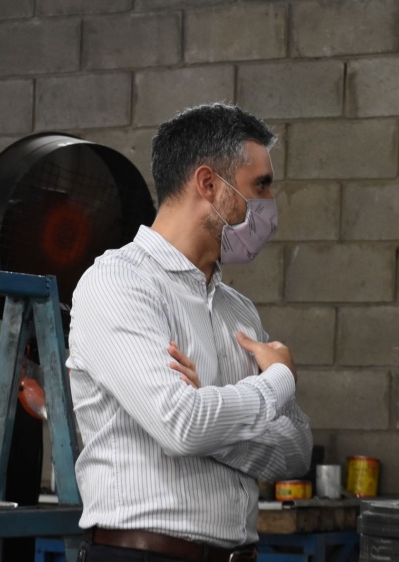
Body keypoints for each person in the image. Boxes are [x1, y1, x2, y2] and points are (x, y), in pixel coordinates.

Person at [67, 102, 312, 562]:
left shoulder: (238, 310)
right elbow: (182, 425)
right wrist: (278, 379)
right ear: (208, 184)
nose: (270, 203)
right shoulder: (119, 283)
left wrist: (210, 414)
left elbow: (296, 449)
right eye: (260, 185)